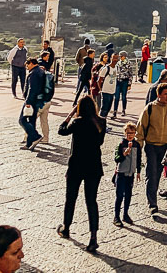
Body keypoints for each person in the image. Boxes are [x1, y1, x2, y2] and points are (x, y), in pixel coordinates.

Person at [57, 96, 106, 253]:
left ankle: (66, 227)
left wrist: (70, 115)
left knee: (70, 198)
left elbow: (61, 131)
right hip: (94, 166)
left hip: (77, 166)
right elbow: (100, 143)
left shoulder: (77, 122)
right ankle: (93, 237)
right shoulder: (101, 122)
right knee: (91, 201)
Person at [136, 82, 167, 214]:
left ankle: (153, 198)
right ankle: (152, 204)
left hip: (166, 147)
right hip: (151, 146)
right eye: (165, 94)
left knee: (158, 173)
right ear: (158, 95)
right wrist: (138, 146)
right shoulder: (149, 108)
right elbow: (141, 128)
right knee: (151, 174)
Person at [113, 122, 141, 227]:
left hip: (131, 174)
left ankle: (125, 214)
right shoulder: (121, 144)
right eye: (128, 133)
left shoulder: (137, 145)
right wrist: (124, 153)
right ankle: (116, 216)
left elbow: (139, 158)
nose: (130, 135)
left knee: (128, 195)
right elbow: (117, 159)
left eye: (132, 133)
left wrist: (138, 171)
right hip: (121, 173)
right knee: (119, 195)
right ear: (125, 133)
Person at [19, 57, 45, 151]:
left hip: (31, 100)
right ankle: (29, 143)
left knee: (22, 120)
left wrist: (28, 102)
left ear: (32, 63)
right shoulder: (40, 71)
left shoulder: (34, 73)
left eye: (27, 65)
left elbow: (32, 89)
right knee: (31, 121)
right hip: (38, 100)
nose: (27, 67)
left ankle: (36, 136)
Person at [36, 57, 55, 144]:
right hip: (48, 101)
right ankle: (46, 138)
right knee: (44, 121)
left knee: (30, 120)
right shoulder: (50, 77)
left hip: (40, 102)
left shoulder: (40, 77)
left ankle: (30, 138)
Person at [113, 51, 134, 118]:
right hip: (118, 81)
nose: (120, 57)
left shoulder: (128, 64)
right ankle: (115, 111)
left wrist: (129, 84)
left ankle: (123, 110)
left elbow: (131, 74)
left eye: (121, 56)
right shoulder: (118, 63)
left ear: (124, 56)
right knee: (116, 97)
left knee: (124, 97)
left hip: (125, 81)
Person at [98, 53, 119, 119]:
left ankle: (104, 123)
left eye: (116, 58)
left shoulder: (116, 68)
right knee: (104, 108)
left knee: (108, 108)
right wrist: (100, 89)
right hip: (105, 91)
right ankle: (100, 123)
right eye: (114, 58)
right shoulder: (106, 68)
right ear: (111, 58)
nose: (115, 60)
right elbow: (99, 80)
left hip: (112, 91)